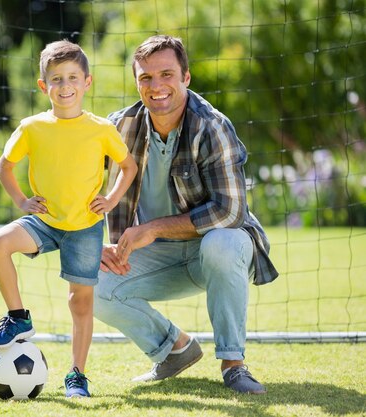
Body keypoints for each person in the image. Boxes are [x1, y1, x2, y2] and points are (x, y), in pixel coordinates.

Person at [93, 35, 279, 395]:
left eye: (166, 74)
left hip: (218, 250)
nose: (156, 86)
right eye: (145, 77)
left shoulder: (212, 125)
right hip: (159, 256)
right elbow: (82, 190)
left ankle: (233, 365)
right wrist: (86, 244)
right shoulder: (119, 127)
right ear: (136, 82)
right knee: (90, 282)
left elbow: (231, 211)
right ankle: (173, 349)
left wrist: (151, 229)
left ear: (186, 77)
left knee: (222, 242)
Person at [0, 39, 138, 398]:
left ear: (87, 82)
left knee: (79, 302)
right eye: (56, 79)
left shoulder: (101, 129)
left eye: (72, 77)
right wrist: (22, 200)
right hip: (45, 220)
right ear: (43, 86)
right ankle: (18, 317)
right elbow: (3, 167)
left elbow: (128, 166)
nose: (64, 86)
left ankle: (76, 376)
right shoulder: (32, 127)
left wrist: (112, 198)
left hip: (84, 227)